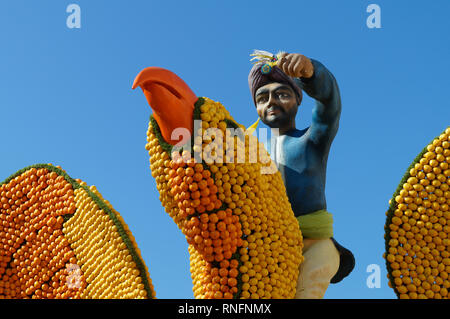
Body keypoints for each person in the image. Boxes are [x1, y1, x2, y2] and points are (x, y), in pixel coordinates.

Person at [248, 51, 355, 298]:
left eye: (282, 94)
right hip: (271, 250)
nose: (271, 102)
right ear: (256, 108)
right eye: (262, 98)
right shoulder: (252, 155)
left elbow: (330, 105)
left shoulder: (312, 140)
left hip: (315, 246)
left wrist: (311, 72)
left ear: (298, 100)